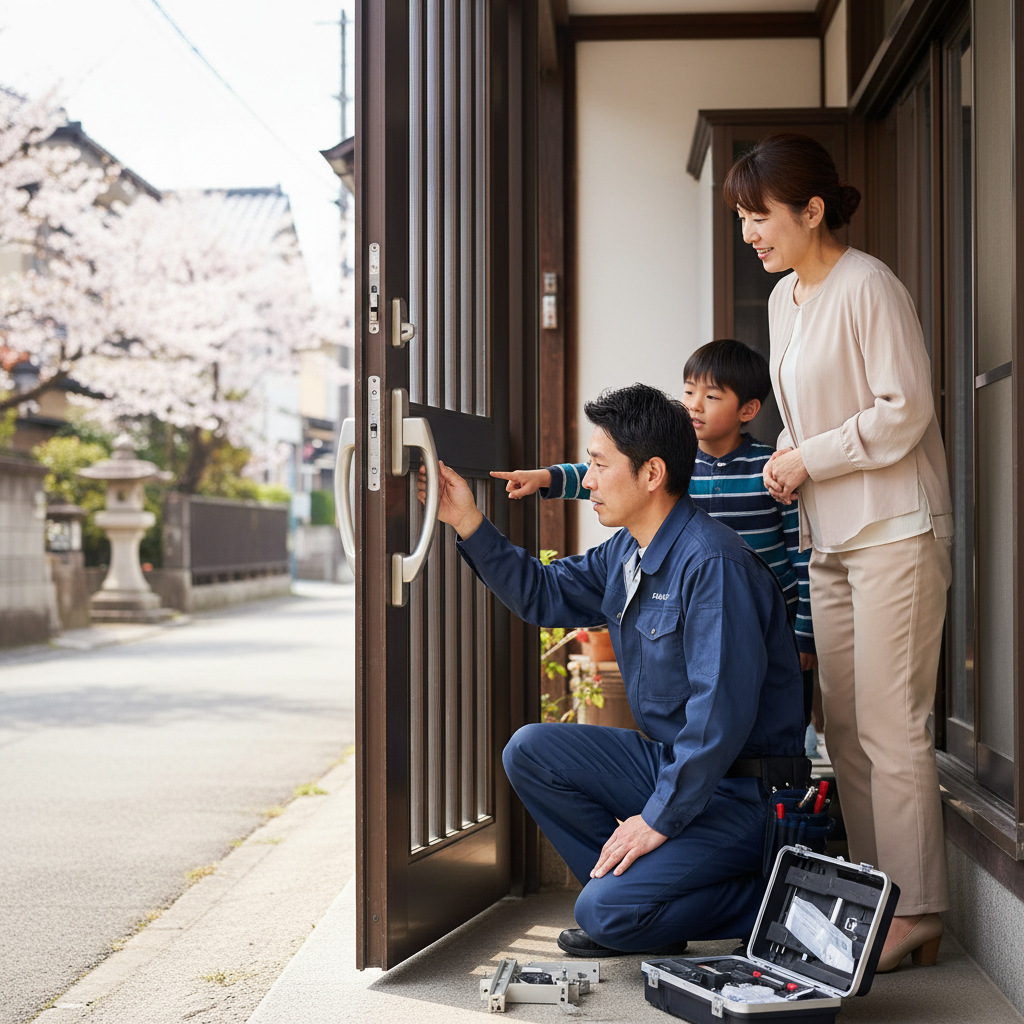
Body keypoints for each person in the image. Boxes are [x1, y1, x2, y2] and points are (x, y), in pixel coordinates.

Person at [417, 383, 807, 957]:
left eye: (599, 465)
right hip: (678, 769)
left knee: (602, 911)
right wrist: (467, 521)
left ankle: (767, 900)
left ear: (651, 474)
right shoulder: (627, 551)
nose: (589, 480)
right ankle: (641, 903)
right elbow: (542, 594)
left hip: (745, 794)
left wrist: (657, 819)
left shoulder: (714, 565)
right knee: (530, 750)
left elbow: (714, 721)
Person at [723, 131, 953, 972]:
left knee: (894, 728)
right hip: (831, 534)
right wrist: (792, 460)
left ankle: (917, 908)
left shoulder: (868, 286)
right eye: (744, 218)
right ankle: (878, 894)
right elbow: (817, 413)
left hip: (895, 529)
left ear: (812, 211)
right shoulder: (788, 301)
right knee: (846, 727)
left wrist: (805, 458)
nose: (750, 232)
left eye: (761, 216)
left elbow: (906, 410)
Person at [494, 339, 819, 753]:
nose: (695, 405)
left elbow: (801, 555)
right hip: (695, 606)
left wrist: (804, 635)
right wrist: (547, 478)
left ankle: (790, 790)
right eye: (688, 392)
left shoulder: (766, 469)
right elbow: (607, 471)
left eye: (712, 396)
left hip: (766, 621)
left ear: (748, 410)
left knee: (781, 713)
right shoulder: (678, 466)